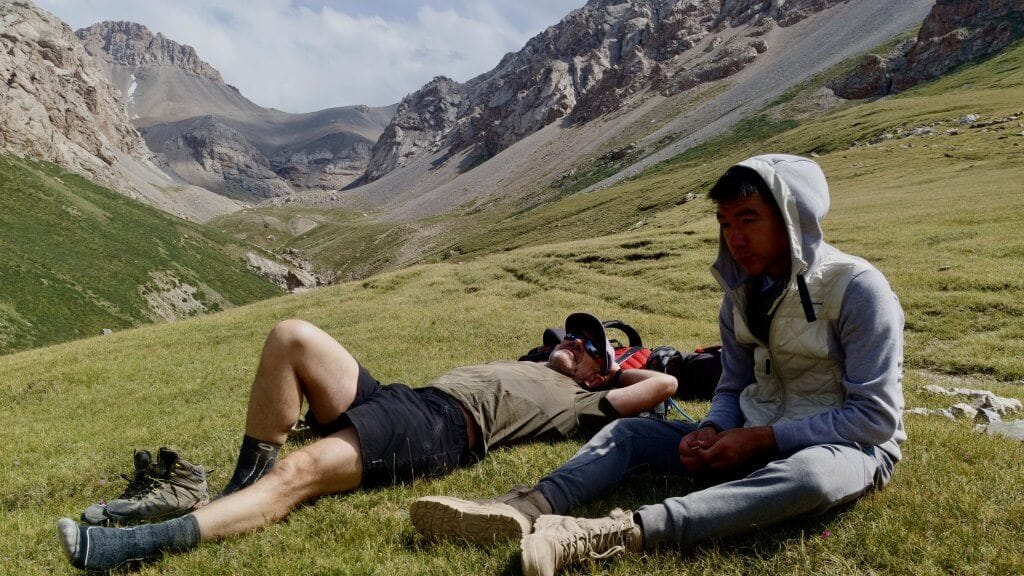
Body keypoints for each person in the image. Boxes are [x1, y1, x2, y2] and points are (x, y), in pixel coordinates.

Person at [412, 154, 906, 576]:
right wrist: (714, 428)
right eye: (725, 222)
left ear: (792, 217)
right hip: (753, 433)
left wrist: (760, 439)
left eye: (748, 218)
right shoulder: (738, 296)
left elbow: (875, 417)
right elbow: (733, 384)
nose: (735, 237)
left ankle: (613, 534)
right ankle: (527, 506)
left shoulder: (858, 289)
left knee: (812, 478)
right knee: (629, 433)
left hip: (847, 449)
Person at [56, 312, 677, 571]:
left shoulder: (586, 401)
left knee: (299, 472)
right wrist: (570, 354)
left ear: (602, 371)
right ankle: (236, 494)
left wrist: (617, 368)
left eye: (586, 345)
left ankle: (132, 547)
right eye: (567, 335)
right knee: (291, 334)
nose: (569, 343)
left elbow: (666, 382)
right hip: (405, 399)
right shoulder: (542, 366)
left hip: (439, 430)